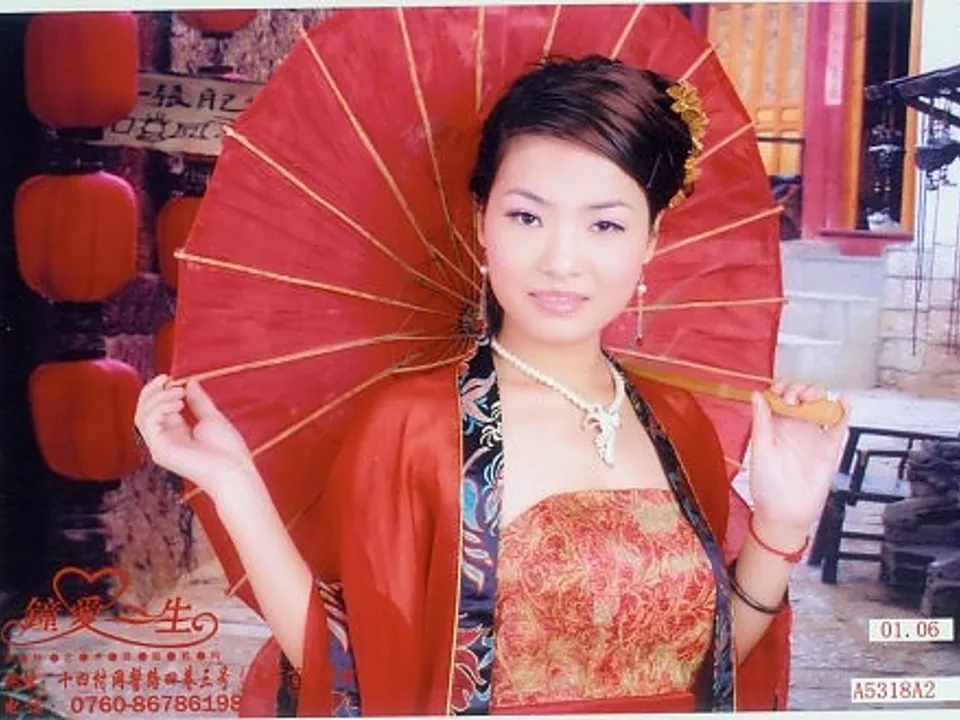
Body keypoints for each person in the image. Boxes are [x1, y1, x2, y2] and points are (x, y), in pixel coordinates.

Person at [135, 56, 850, 715]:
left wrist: (780, 526)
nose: (562, 260)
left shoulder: (677, 422)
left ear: (652, 239)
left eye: (605, 224)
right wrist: (233, 483)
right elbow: (356, 674)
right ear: (482, 221)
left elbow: (710, 671)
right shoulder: (417, 426)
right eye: (527, 216)